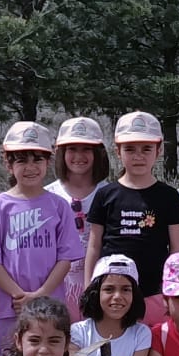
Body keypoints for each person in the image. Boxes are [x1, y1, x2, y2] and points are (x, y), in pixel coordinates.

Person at [0, 121, 83, 356]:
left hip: (51, 306)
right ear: (8, 164)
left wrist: (41, 295)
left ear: (48, 162)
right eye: (21, 160)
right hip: (11, 307)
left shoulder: (59, 205)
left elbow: (65, 258)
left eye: (37, 159)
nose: (30, 167)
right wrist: (19, 295)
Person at [83, 112, 179, 327]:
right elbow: (94, 246)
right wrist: (89, 288)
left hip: (154, 295)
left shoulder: (169, 196)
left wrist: (173, 291)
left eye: (146, 149)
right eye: (130, 149)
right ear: (117, 151)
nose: (138, 156)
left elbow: (177, 250)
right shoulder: (105, 195)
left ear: (158, 151)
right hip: (112, 295)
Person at [46, 116, 109, 314]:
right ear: (61, 153)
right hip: (56, 288)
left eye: (86, 149)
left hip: (98, 287)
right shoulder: (48, 195)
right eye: (72, 149)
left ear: (98, 153)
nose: (79, 156)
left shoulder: (109, 193)